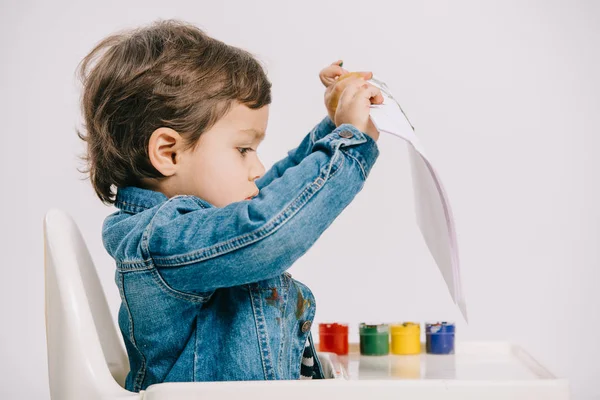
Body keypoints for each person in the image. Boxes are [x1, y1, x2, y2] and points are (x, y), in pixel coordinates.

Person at [77, 19, 382, 392]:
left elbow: (270, 200)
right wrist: (350, 142)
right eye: (243, 150)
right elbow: (265, 230)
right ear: (168, 152)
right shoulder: (164, 239)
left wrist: (333, 127)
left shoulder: (202, 224)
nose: (258, 168)